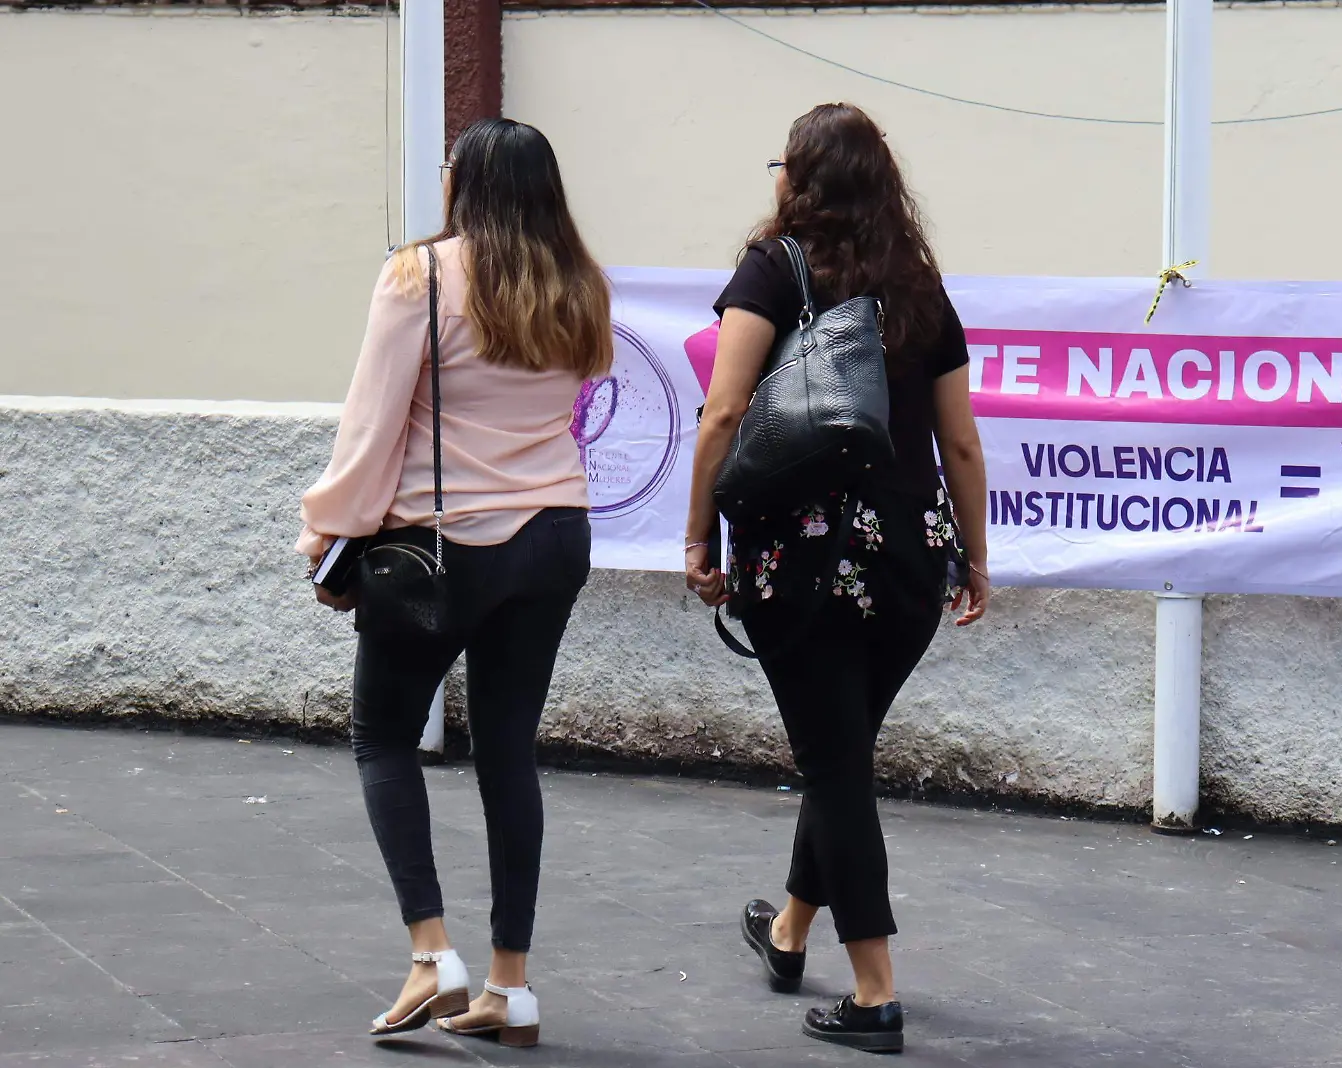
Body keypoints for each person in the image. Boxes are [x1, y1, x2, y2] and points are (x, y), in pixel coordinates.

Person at [683, 102, 991, 1054]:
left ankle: (874, 992)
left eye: (781, 161)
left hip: (806, 563)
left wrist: (697, 538)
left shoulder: (774, 269)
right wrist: (974, 558)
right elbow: (962, 444)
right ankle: (787, 934)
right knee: (841, 750)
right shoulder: (922, 286)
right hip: (907, 563)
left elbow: (724, 415)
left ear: (803, 179)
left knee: (836, 767)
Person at [296, 117, 610, 1049]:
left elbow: (371, 428)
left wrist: (327, 534)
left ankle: (434, 953)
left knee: (382, 737)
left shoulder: (419, 277)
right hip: (556, 533)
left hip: (447, 546)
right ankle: (511, 986)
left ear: (461, 186)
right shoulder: (579, 282)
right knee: (509, 751)